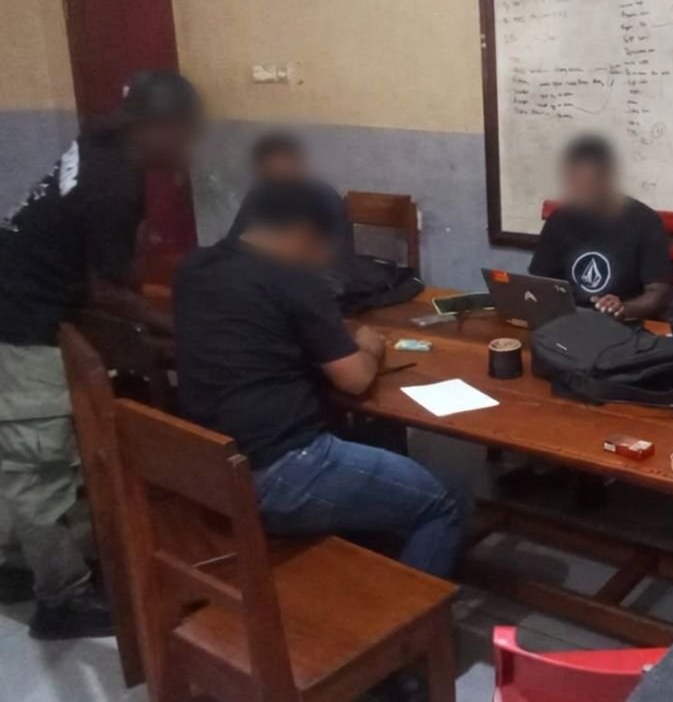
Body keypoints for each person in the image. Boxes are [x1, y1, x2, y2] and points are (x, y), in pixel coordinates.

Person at [174, 181, 465, 578]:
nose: (329, 260)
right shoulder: (292, 279)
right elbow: (355, 379)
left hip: (206, 465)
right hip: (278, 471)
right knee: (445, 499)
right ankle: (414, 614)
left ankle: (375, 564)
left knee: (380, 442)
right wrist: (370, 347)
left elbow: (254, 333)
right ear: (304, 233)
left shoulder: (195, 267)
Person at [0, 71, 202, 639]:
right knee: (37, 464)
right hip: (19, 324)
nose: (189, 144)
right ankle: (60, 601)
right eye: (185, 131)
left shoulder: (100, 148)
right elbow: (106, 290)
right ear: (157, 127)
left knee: (21, 460)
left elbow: (103, 269)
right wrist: (182, 329)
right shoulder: (112, 182)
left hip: (23, 306)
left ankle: (16, 566)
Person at [530, 134, 673, 321]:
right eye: (575, 185)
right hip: (569, 320)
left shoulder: (644, 222)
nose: (580, 193)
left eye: (588, 184)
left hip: (623, 323)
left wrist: (624, 308)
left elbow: (659, 295)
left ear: (607, 180)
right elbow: (540, 282)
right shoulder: (560, 220)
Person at [229, 131, 353, 259]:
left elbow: (329, 250)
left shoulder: (324, 197)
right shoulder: (258, 194)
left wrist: (270, 242)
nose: (279, 169)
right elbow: (236, 239)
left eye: (284, 162)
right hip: (254, 262)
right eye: (272, 164)